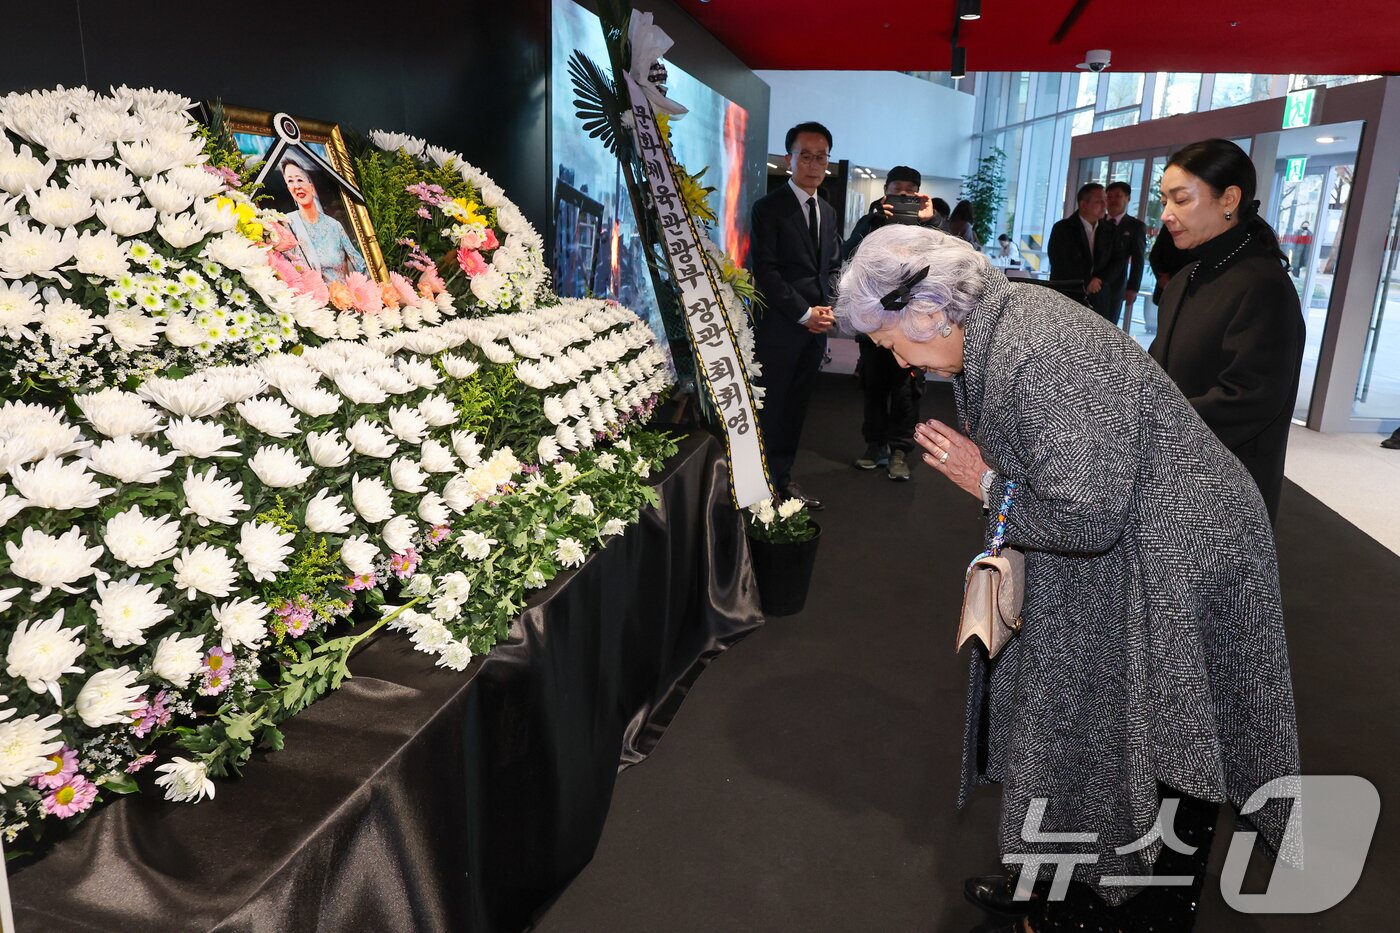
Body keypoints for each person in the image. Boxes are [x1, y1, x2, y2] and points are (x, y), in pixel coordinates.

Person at [833, 224, 1299, 933]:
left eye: (892, 340)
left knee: (1161, 728)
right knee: (1073, 710)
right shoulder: (1002, 328)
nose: (898, 360)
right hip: (1136, 535)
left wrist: (986, 482)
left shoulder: (1042, 347)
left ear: (929, 312)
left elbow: (1086, 517)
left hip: (1179, 552)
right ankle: (1063, 879)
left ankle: (1131, 907)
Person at [1149, 139, 1305, 525]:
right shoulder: (1187, 276)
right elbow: (1156, 372)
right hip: (1168, 480)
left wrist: (1149, 423)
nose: (1167, 214)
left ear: (1229, 199)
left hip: (1223, 494)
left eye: (1180, 200)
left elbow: (1248, 399)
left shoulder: (1263, 285)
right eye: (1164, 200)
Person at [749, 121, 842, 510]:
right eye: (805, 155)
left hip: (815, 329)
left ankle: (782, 480)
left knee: (797, 410)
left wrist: (828, 311)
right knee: (771, 409)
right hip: (780, 328)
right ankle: (758, 486)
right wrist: (804, 313)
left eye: (821, 157)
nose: (814, 164)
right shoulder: (768, 208)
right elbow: (765, 270)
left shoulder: (828, 210)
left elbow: (831, 267)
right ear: (789, 159)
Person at [843, 165, 940, 481]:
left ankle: (900, 451)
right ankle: (875, 446)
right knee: (873, 387)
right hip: (873, 322)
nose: (902, 194)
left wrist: (934, 220)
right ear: (885, 190)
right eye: (896, 188)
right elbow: (846, 257)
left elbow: (951, 254)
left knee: (906, 391)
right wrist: (872, 220)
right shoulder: (871, 222)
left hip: (911, 323)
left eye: (910, 190)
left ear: (918, 194)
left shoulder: (928, 227)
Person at [280, 156, 368, 284]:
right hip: (307, 300)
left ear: (311, 186)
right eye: (290, 181)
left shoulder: (334, 226)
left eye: (299, 179)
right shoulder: (287, 224)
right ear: (289, 189)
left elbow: (361, 266)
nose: (297, 186)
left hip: (343, 298)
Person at [1047, 183, 1126, 321]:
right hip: (1068, 295)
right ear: (1083, 205)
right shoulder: (1063, 229)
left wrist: (1100, 280)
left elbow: (1118, 259)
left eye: (1104, 200)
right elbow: (1060, 262)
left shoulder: (1110, 229)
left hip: (1100, 296)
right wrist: (1086, 281)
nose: (1104, 205)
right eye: (1098, 201)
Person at [1104, 181, 1147, 331]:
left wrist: (1133, 288)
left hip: (1116, 285)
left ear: (1127, 198)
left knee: (1108, 326)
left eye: (1118, 196)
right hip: (1091, 284)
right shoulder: (1097, 221)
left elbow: (1138, 260)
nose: (1113, 200)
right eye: (1109, 196)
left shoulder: (1135, 226)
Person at [1146, 227, 1191, 336]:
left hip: (1188, 291)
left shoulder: (1199, 232)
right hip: (1165, 289)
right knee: (1163, 332)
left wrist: (1174, 280)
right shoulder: (1168, 229)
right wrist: (1161, 277)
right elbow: (1154, 256)